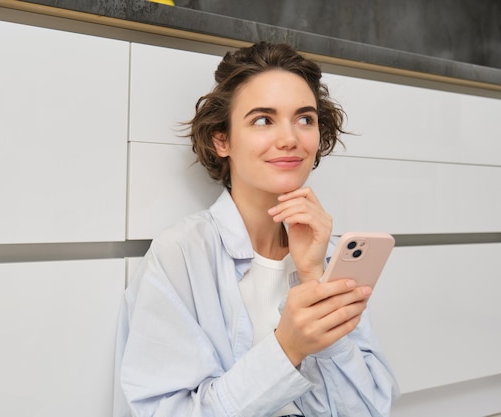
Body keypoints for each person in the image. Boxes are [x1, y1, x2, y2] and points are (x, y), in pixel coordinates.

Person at [113, 42, 399, 417]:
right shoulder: (181, 254)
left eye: (305, 119)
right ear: (222, 139)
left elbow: (369, 410)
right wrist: (288, 348)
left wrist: (314, 279)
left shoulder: (330, 254)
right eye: (263, 119)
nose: (290, 139)